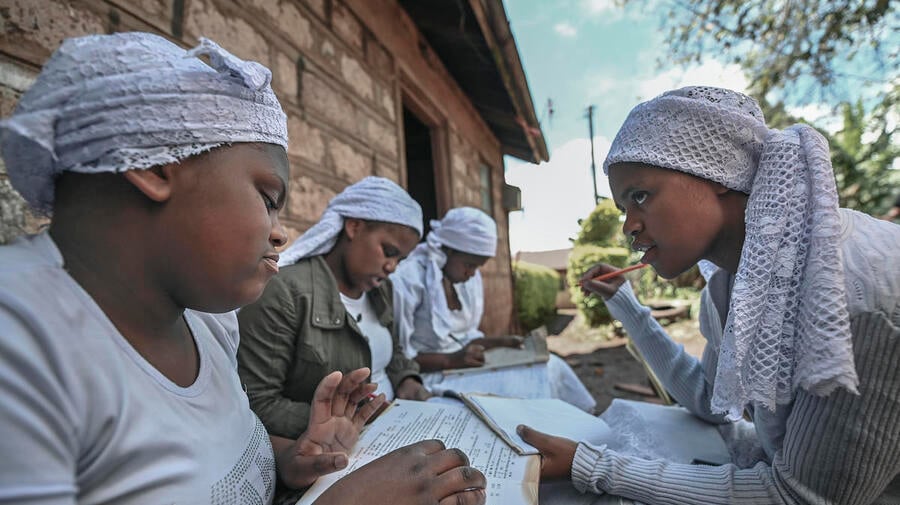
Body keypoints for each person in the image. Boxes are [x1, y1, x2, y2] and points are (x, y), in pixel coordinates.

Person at [0, 32, 486, 505]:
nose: (280, 234)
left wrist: (293, 458)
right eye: (269, 199)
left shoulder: (208, 321)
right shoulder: (21, 340)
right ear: (153, 166)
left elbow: (225, 458)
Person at [518, 86, 900, 504]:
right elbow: (710, 399)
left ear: (716, 173)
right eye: (624, 209)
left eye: (640, 196)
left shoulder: (855, 295)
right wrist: (625, 304)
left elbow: (800, 497)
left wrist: (593, 467)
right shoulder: (729, 283)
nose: (628, 227)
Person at [238, 176, 432, 445]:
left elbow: (394, 351)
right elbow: (258, 401)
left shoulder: (381, 290)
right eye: (389, 251)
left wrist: (408, 381)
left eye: (401, 259)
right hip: (335, 446)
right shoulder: (286, 294)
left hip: (396, 426)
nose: (392, 267)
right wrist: (348, 421)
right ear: (354, 227)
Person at [391, 206, 596, 412]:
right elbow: (399, 359)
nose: (472, 274)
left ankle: (582, 421)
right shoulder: (407, 280)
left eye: (477, 267)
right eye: (469, 265)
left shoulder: (465, 281)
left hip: (462, 366)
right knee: (528, 388)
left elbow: (463, 338)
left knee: (551, 365)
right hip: (434, 375)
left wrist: (500, 343)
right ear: (448, 250)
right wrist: (450, 360)